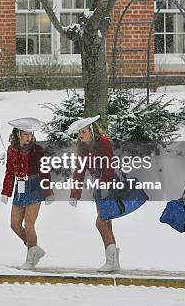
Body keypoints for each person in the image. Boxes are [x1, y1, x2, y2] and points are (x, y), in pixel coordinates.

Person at [67, 115, 120, 273]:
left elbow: (110, 166)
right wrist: (74, 194)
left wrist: (104, 184)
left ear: (91, 131)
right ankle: (113, 262)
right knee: (107, 223)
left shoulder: (103, 143)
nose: (80, 135)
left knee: (101, 222)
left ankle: (111, 261)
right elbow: (79, 170)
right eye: (79, 133)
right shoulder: (83, 148)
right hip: (98, 186)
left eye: (83, 132)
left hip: (109, 184)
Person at [0, 117, 53, 270]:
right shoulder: (11, 150)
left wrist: (48, 191)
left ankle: (30, 259)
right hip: (19, 186)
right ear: (18, 134)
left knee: (29, 225)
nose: (28, 137)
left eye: (30, 134)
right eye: (25, 134)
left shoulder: (37, 150)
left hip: (35, 185)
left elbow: (45, 171)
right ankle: (34, 249)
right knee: (15, 225)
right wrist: (6, 192)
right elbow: (9, 172)